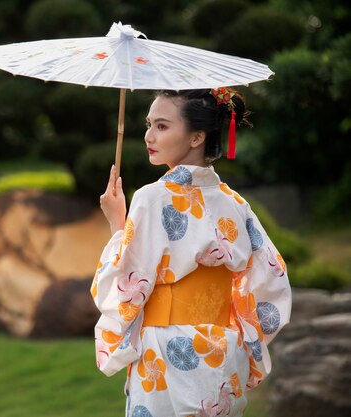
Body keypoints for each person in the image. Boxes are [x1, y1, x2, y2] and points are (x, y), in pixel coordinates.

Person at [90, 88, 292, 417]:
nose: (148, 135)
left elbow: (122, 287)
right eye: (148, 124)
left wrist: (117, 224)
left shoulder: (151, 198)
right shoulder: (235, 203)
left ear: (197, 137)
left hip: (167, 355)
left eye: (162, 126)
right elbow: (271, 281)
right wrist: (242, 339)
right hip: (224, 353)